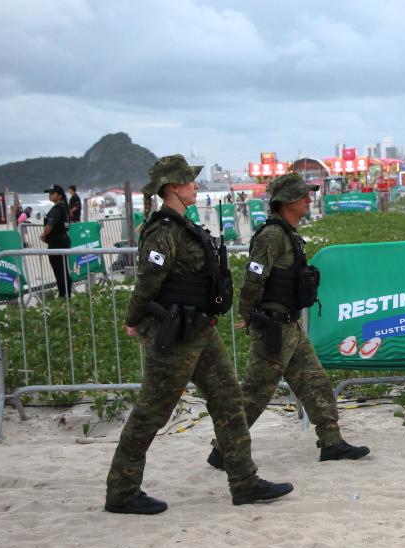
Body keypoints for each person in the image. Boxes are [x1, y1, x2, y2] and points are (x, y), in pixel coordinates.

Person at [104, 154, 292, 516]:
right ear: (172, 187)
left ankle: (244, 482)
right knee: (151, 412)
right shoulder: (162, 231)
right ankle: (122, 492)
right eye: (189, 181)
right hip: (173, 335)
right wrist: (133, 319)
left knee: (229, 402)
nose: (195, 185)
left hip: (201, 330)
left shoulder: (183, 225)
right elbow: (147, 283)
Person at [207, 172, 369, 469]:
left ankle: (331, 442)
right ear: (287, 202)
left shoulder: (287, 233)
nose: (309, 200)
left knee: (316, 382)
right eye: (303, 196)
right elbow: (254, 279)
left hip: (290, 326)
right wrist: (248, 314)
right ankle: (224, 449)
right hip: (274, 329)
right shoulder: (271, 236)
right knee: (256, 393)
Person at [40, 185, 73, 297]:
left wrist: (43, 235)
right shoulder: (65, 207)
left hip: (57, 243)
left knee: (59, 271)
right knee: (63, 270)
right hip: (63, 240)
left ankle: (63, 295)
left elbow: (49, 225)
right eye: (49, 193)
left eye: (52, 193)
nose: (50, 195)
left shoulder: (57, 208)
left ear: (59, 195)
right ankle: (66, 294)